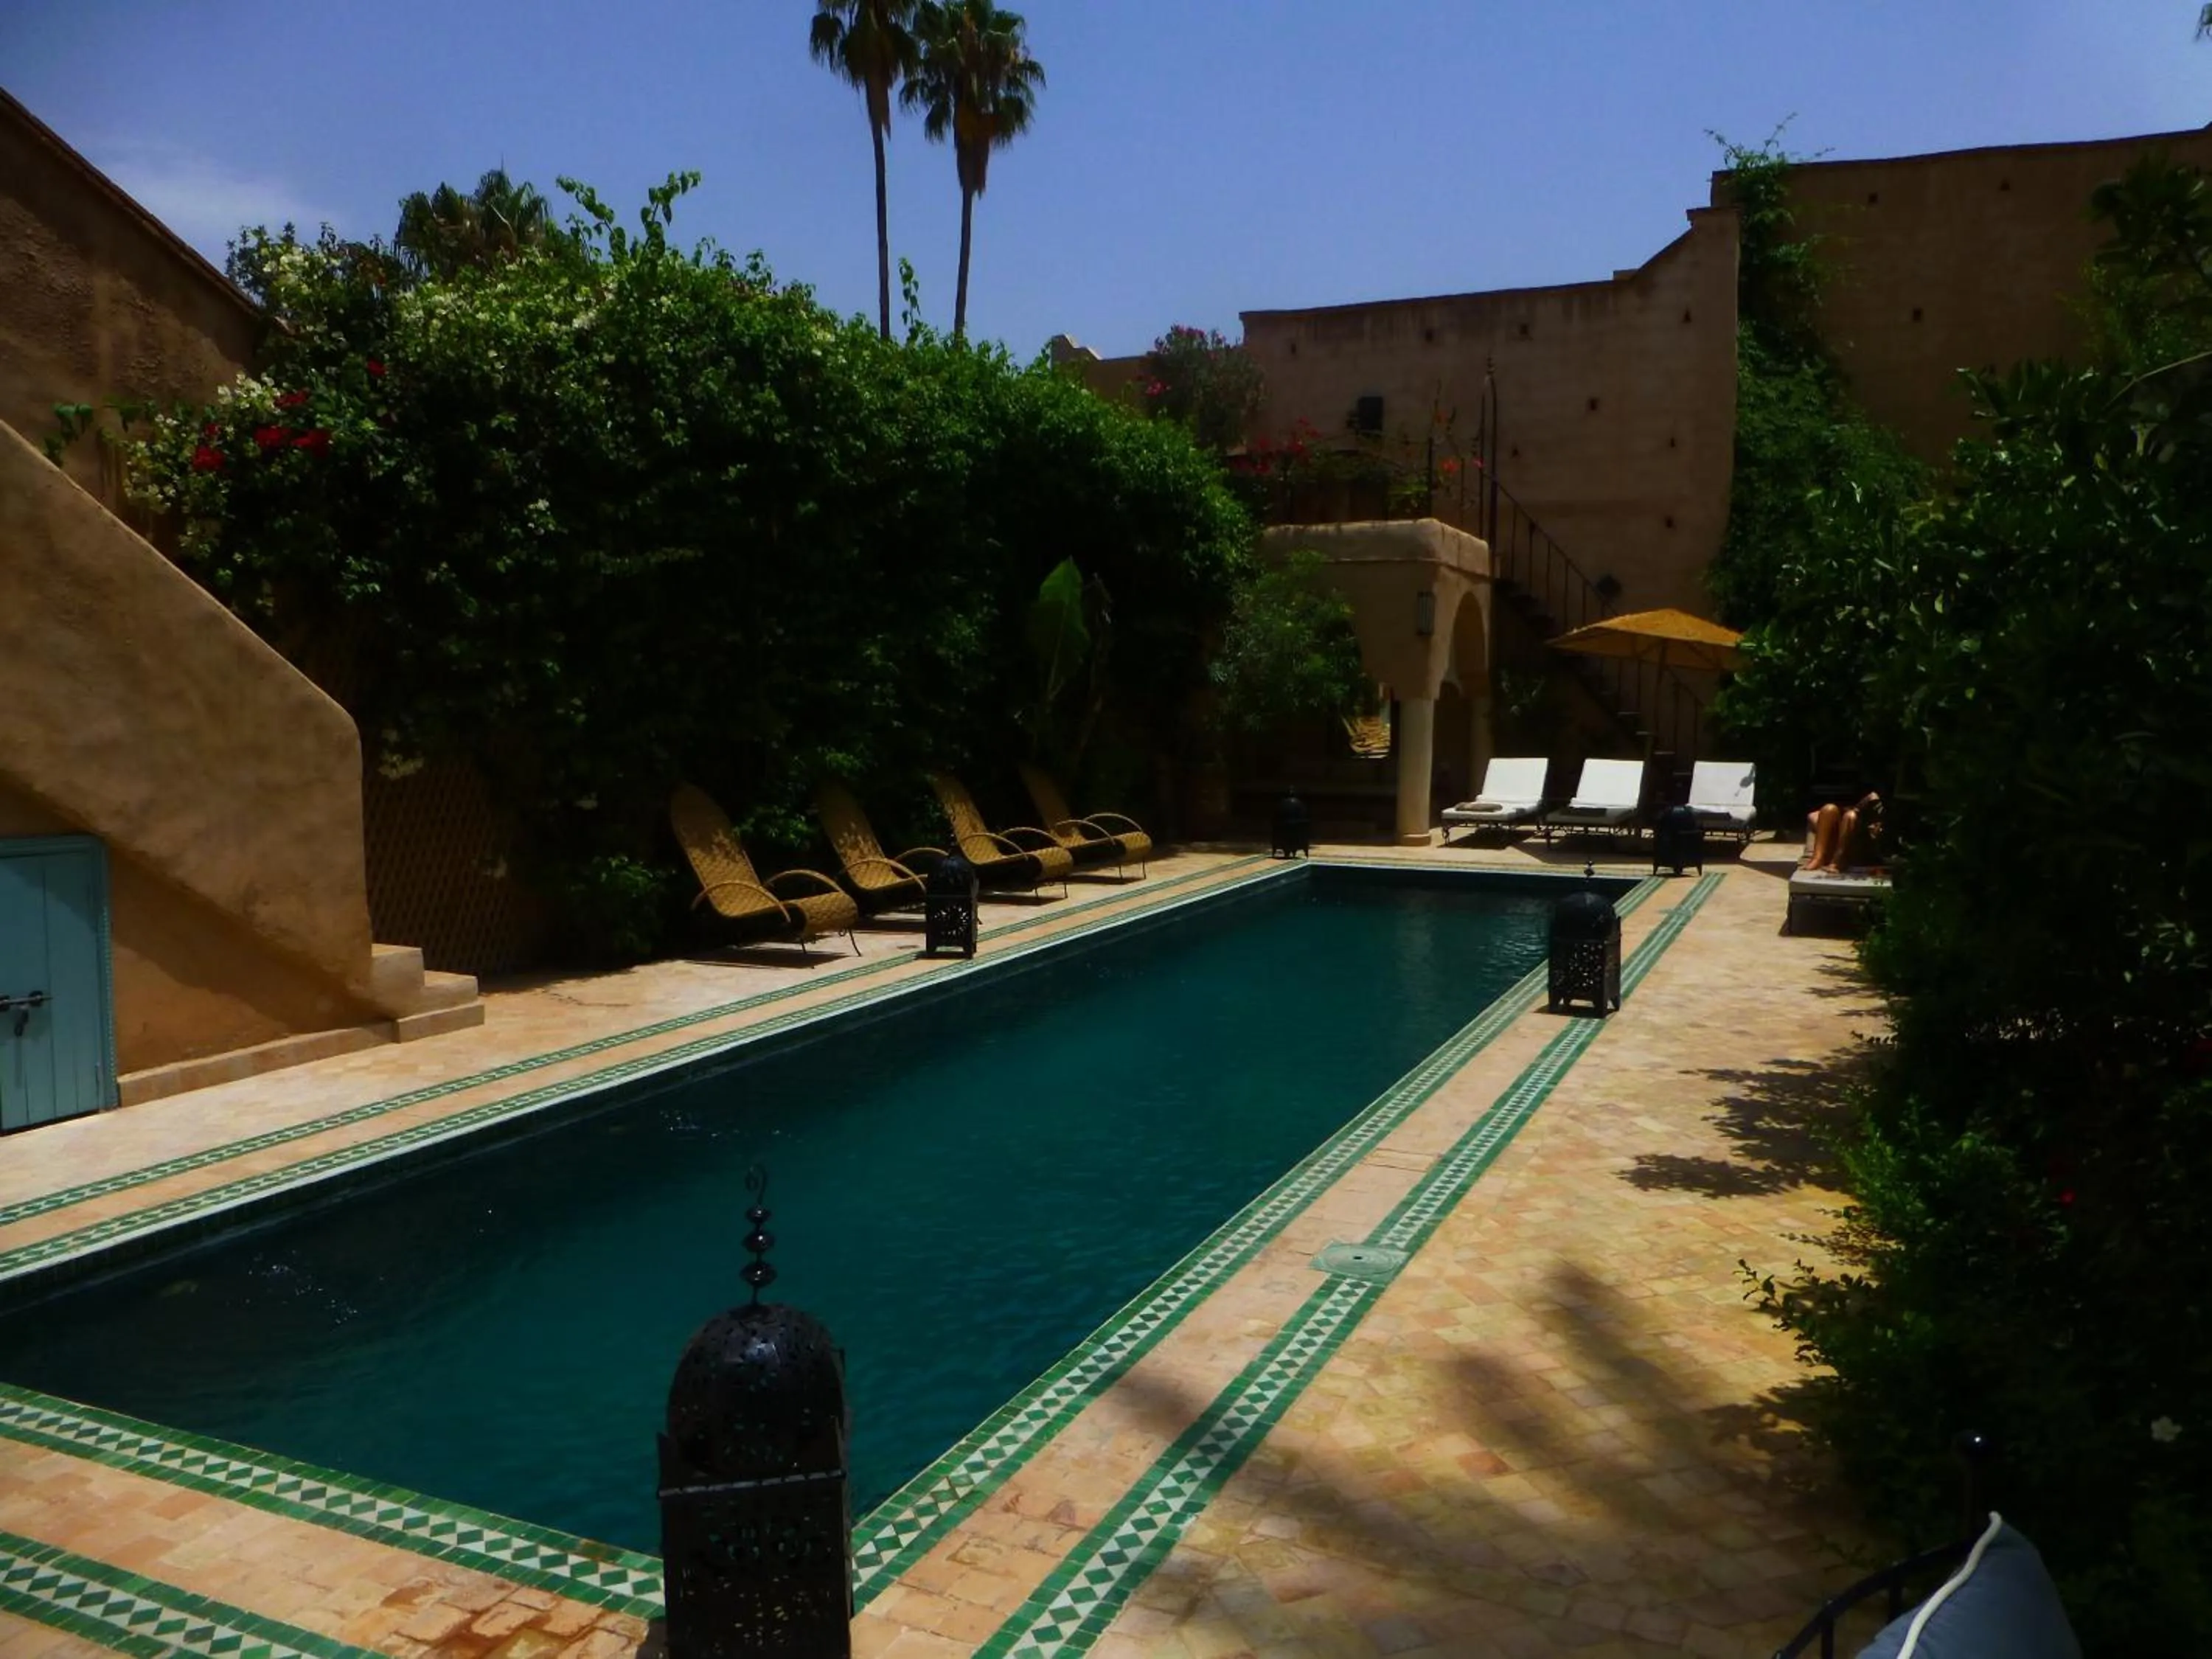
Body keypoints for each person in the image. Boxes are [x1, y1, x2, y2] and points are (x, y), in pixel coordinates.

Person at [1804, 790, 1882, 874]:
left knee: (1850, 817)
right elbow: (1814, 815)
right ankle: (1818, 859)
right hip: (1843, 835)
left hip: (1861, 842)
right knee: (1829, 810)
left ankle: (1837, 862)